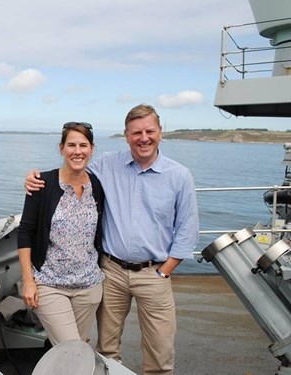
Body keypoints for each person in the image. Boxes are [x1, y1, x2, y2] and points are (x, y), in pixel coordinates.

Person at [24, 104, 199, 375]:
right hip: (111, 272)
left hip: (154, 273)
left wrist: (165, 271)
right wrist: (35, 178)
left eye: (149, 131)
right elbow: (73, 166)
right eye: (136, 132)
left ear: (160, 132)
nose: (143, 138)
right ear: (126, 135)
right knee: (107, 349)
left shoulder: (179, 176)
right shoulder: (106, 164)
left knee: (160, 352)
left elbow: (187, 230)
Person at [17, 121, 105, 346]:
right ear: (61, 148)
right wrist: (28, 281)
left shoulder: (97, 185)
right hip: (50, 284)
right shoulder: (42, 183)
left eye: (83, 145)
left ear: (92, 149)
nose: (78, 151)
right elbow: (25, 233)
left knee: (78, 346)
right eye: (72, 145)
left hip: (89, 286)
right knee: (72, 350)